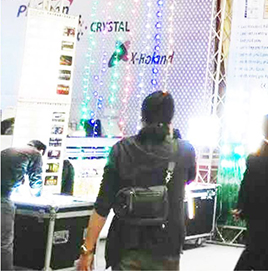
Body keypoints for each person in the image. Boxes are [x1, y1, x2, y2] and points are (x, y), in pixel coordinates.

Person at [77, 91, 197, 271]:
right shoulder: (184, 150)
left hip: (126, 245)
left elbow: (102, 205)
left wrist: (87, 250)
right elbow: (189, 179)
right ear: (171, 117)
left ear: (142, 116)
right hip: (167, 245)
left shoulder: (121, 150)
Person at [234, 113, 268, 271]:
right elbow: (252, 185)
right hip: (264, 216)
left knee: (254, 252)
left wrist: (241, 207)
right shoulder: (265, 155)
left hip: (258, 215)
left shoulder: (260, 152)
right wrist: (243, 208)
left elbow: (246, 182)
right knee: (258, 253)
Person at [1, 140, 46, 270]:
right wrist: (37, 196)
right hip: (2, 198)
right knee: (4, 243)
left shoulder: (10, 151)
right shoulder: (36, 153)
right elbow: (36, 180)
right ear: (41, 150)